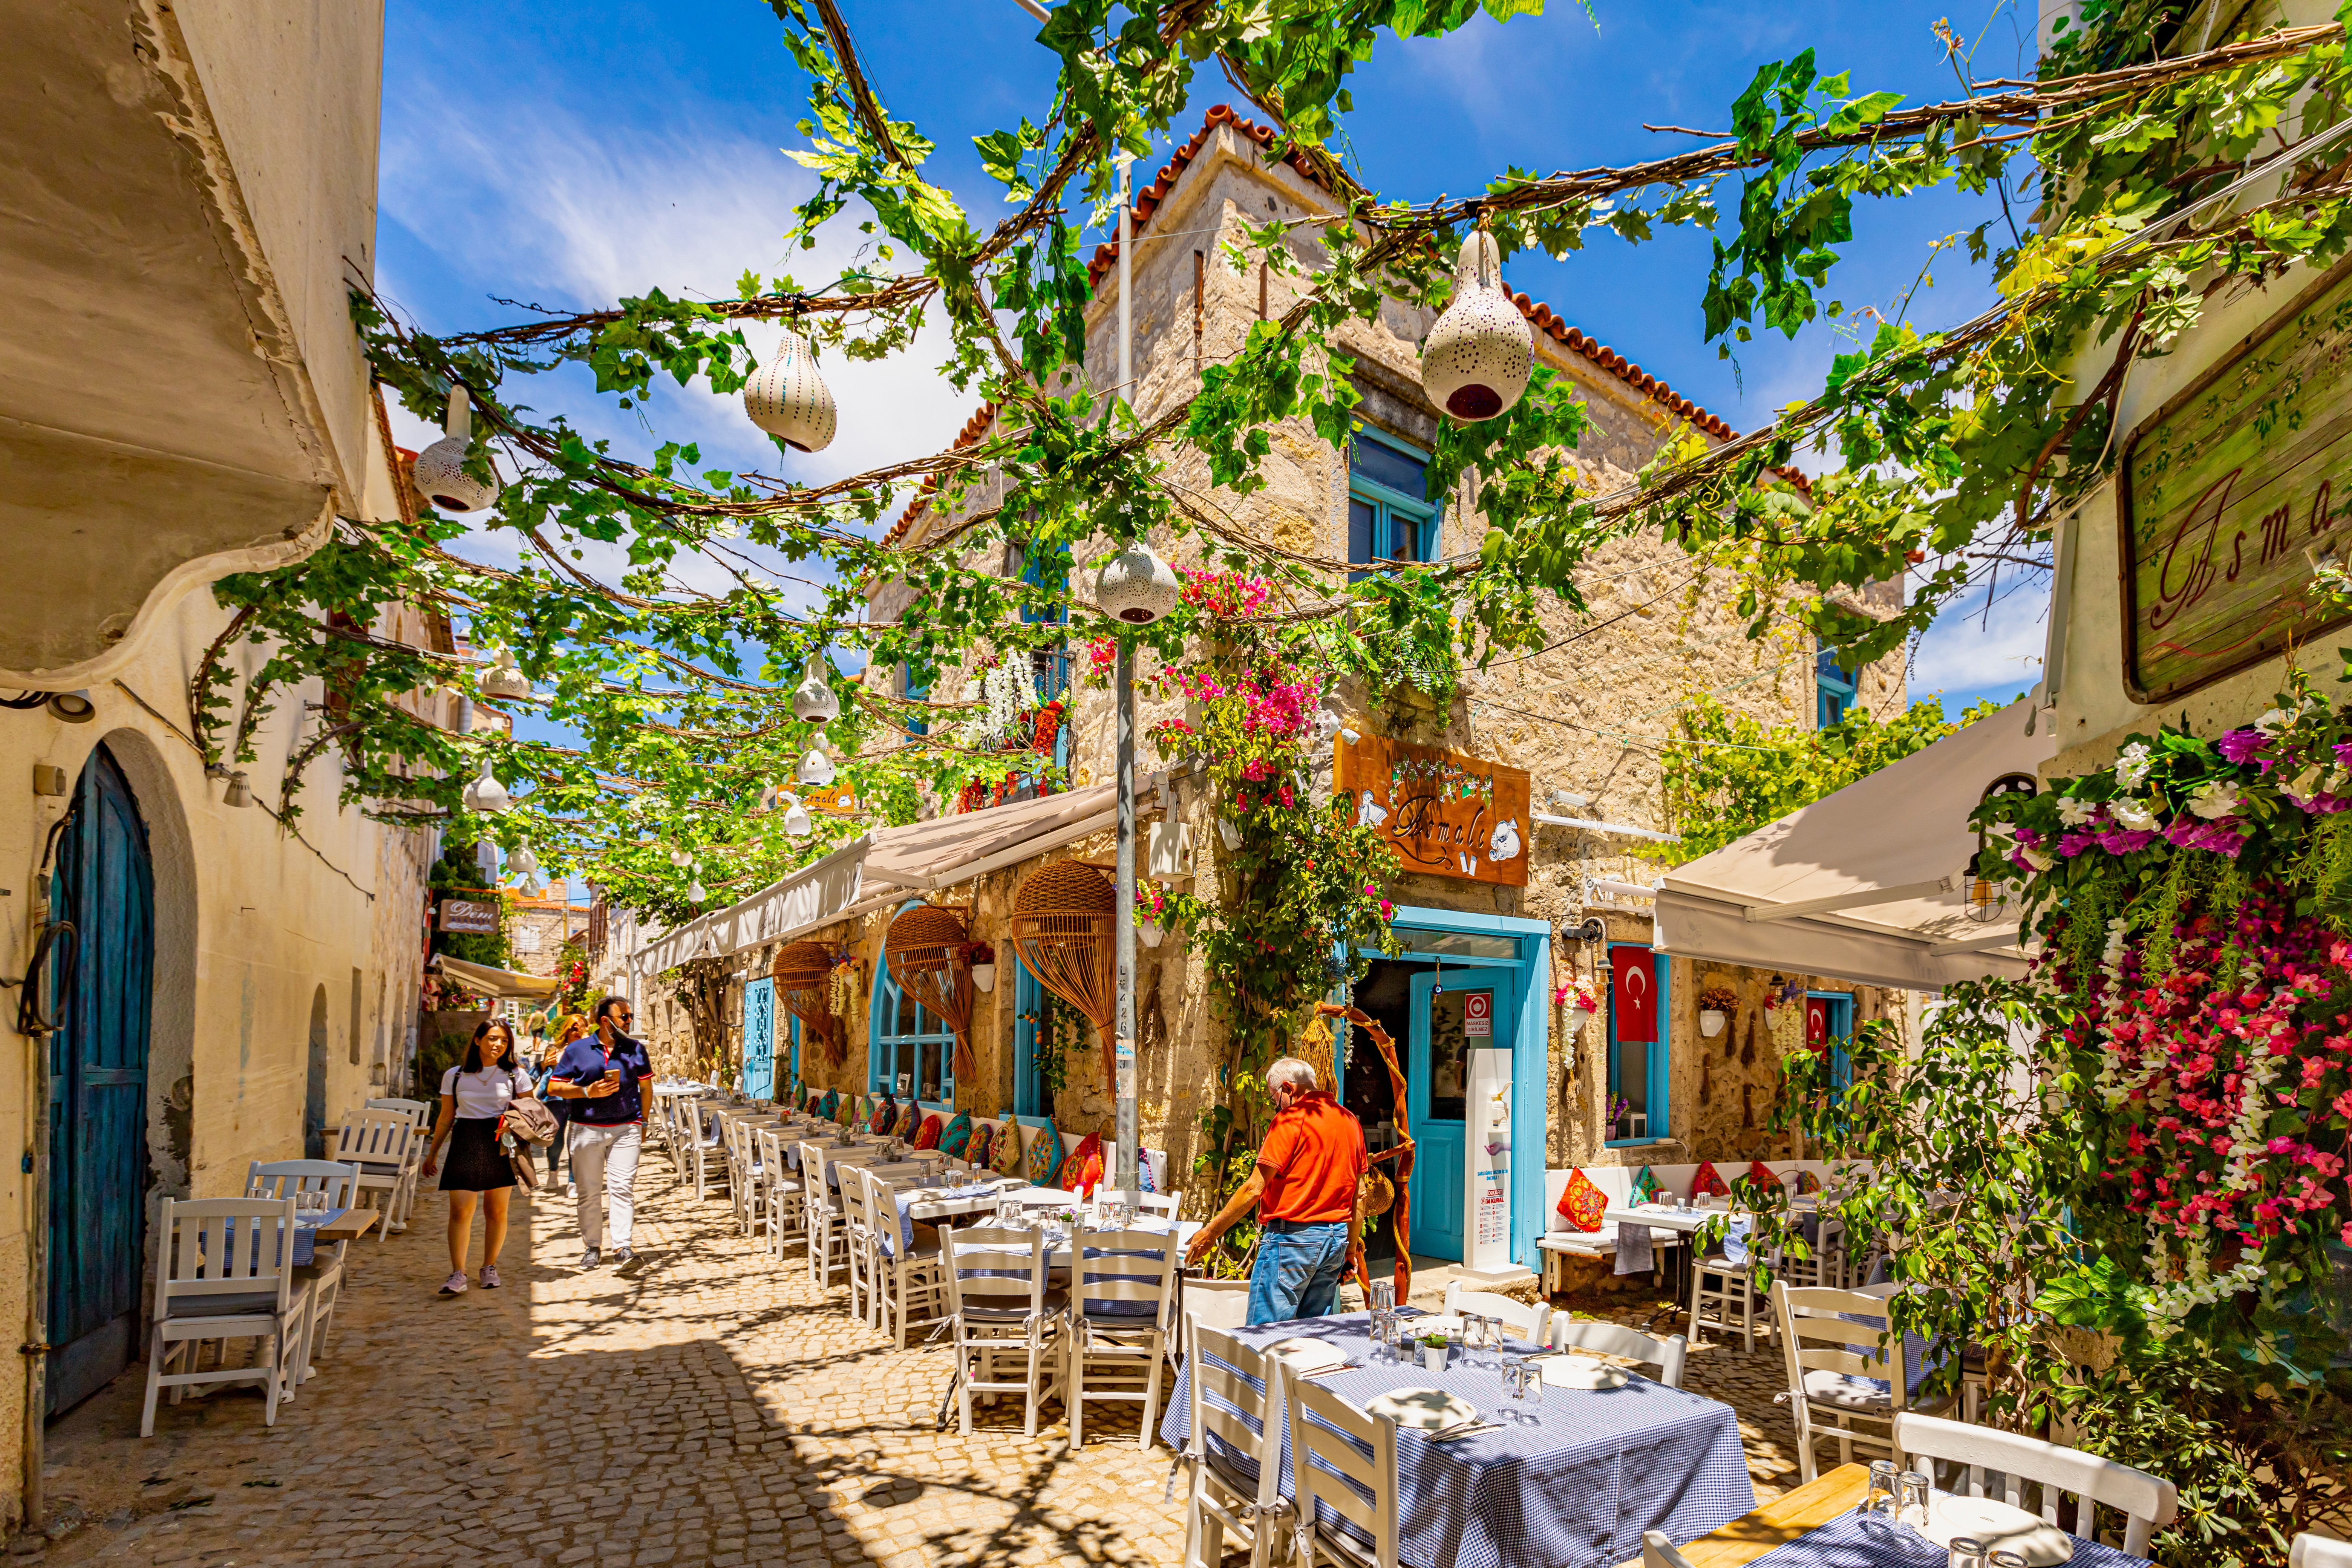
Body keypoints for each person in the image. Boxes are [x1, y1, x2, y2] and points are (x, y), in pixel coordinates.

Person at [1184, 1057, 1366, 1325]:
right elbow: (1359, 1195)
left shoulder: (1290, 1119)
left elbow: (1254, 1189)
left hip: (1293, 1240)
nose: (1275, 1106)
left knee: (1265, 1335)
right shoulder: (1348, 1120)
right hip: (1335, 1241)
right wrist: (1350, 1250)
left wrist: (1211, 1233)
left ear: (1288, 1089)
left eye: (1274, 1099)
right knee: (1314, 1335)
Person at [420, 1019, 535, 1297]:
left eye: (505, 1041)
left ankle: (489, 1266)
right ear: (478, 1040)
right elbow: (446, 1116)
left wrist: (513, 1121)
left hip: (501, 1141)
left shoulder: (515, 1075)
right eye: (493, 1038)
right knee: (460, 1211)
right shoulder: (456, 1076)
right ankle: (458, 1273)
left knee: (496, 1211)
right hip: (465, 1140)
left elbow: (531, 1111)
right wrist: (433, 1152)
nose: (498, 1045)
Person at [546, 995, 654, 1271]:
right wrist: (586, 1091)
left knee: (622, 1189)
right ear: (606, 1021)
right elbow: (554, 1088)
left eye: (630, 1016)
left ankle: (622, 1248)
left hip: (626, 1128)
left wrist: (643, 1122)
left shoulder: (636, 1049)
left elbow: (646, 1089)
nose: (630, 1021)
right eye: (625, 1017)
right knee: (589, 1192)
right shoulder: (577, 1050)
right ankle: (592, 1247)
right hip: (586, 1129)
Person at [535, 1014, 590, 1193]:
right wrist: (544, 1065)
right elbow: (535, 1075)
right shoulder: (554, 1048)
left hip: (579, 1098)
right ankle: (553, 1171)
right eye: (573, 1027)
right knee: (555, 1141)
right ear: (566, 1029)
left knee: (576, 1141)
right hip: (556, 1100)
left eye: (581, 1027)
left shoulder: (591, 1050)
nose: (577, 1031)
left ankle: (573, 1182)